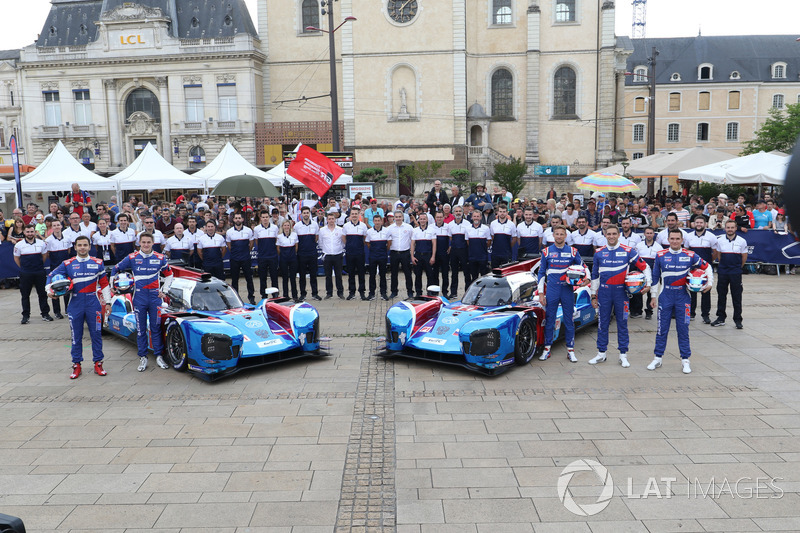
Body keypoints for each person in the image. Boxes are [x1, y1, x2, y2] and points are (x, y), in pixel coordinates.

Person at [648, 228, 714, 374]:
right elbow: (654, 278)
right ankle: (657, 358)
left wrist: (710, 283)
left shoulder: (690, 255)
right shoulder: (660, 255)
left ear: (682, 240)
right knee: (661, 329)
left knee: (683, 330)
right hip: (665, 296)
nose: (675, 241)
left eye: (678, 239)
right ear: (668, 240)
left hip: (683, 297)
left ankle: (685, 360)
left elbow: (707, 266)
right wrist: (653, 296)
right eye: (672, 239)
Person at [47, 235, 112, 378]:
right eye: (79, 245)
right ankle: (76, 365)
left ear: (90, 247)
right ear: (75, 247)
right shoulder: (67, 264)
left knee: (96, 335)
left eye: (85, 245)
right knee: (76, 336)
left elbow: (104, 284)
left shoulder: (98, 263)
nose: (82, 247)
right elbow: (50, 276)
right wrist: (49, 291)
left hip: (93, 303)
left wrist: (108, 302)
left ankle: (98, 363)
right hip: (75, 303)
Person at [589, 224, 651, 369]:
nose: (611, 236)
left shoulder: (628, 251)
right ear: (605, 235)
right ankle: (601, 353)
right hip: (604, 293)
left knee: (622, 324)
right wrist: (593, 295)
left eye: (614, 234)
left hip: (621, 293)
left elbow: (645, 267)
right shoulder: (598, 253)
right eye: (608, 234)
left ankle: (623, 355)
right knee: (602, 323)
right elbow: (594, 276)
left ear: (618, 235)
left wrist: (647, 284)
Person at [112, 233, 174, 371]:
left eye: (148, 242)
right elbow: (115, 269)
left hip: (155, 298)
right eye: (143, 242)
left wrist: (165, 290)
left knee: (156, 328)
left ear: (153, 243)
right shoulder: (132, 257)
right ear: (139, 243)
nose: (146, 245)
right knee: (140, 329)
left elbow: (170, 275)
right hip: (139, 298)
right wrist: (114, 286)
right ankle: (143, 357)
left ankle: (159, 356)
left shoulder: (160, 258)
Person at [537, 226, 585, 362]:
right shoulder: (546, 252)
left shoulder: (573, 251)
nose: (559, 236)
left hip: (567, 289)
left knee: (569, 320)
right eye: (557, 234)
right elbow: (541, 273)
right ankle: (547, 349)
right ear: (553, 235)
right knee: (550, 319)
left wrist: (584, 280)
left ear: (565, 236)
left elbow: (583, 268)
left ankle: (570, 350)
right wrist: (541, 293)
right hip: (552, 290)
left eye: (561, 234)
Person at [14, 224, 53, 324]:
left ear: (35, 232)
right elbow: (16, 258)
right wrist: (24, 268)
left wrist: (38, 266)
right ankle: (26, 316)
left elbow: (44, 256)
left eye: (31, 231)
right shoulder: (19, 245)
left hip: (39, 272)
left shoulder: (41, 243)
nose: (30, 234)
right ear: (24, 232)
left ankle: (45, 314)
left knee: (42, 294)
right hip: (26, 273)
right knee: (25, 295)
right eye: (28, 232)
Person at [712, 220, 747, 329]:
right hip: (723, 272)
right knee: (721, 295)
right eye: (728, 227)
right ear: (725, 228)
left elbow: (744, 257)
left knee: (737, 296)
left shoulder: (742, 241)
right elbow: (719, 256)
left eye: (732, 227)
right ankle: (721, 318)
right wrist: (724, 267)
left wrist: (737, 268)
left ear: (736, 228)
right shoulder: (720, 241)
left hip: (735, 272)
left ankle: (738, 319)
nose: (730, 229)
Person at [685, 215, 717, 324]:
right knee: (691, 291)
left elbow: (715, 252)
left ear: (705, 224)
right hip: (692, 269)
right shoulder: (688, 236)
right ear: (694, 224)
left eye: (701, 222)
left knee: (706, 291)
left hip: (706, 269)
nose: (699, 224)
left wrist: (707, 264)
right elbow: (686, 251)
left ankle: (705, 315)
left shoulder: (711, 236)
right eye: (697, 222)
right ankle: (691, 313)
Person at [45, 220, 73, 319]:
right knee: (55, 289)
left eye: (58, 225)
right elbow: (47, 254)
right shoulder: (48, 240)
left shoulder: (67, 238)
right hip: (54, 267)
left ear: (61, 226)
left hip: (66, 267)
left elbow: (69, 251)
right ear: (52, 227)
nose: (56, 227)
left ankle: (67, 309)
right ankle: (57, 311)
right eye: (54, 225)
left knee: (67, 288)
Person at [226, 212, 256, 304]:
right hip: (234, 259)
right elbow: (229, 246)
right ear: (233, 220)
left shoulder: (248, 230)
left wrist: (245, 253)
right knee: (234, 280)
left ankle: (251, 297)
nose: (238, 220)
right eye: (236, 218)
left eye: (239, 218)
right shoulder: (229, 232)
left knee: (249, 279)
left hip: (246, 258)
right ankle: (236, 299)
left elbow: (251, 244)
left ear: (242, 219)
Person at [634, 227, 662, 320]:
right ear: (644, 234)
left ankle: (649, 311)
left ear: (654, 234)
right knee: (638, 291)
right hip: (640, 271)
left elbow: (660, 262)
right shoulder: (639, 245)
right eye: (647, 233)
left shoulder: (658, 247)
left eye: (651, 233)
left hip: (653, 272)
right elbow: (635, 259)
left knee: (651, 292)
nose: (649, 235)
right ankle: (637, 311)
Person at [295, 206, 322, 301]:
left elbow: (316, 238)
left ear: (310, 213)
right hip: (301, 254)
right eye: (304, 213)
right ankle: (303, 294)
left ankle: (315, 293)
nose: (306, 214)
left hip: (312, 253)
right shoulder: (297, 226)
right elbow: (296, 240)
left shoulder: (315, 225)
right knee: (302, 275)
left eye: (307, 212)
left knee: (313, 275)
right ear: (301, 214)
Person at [387, 208, 414, 299]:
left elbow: (412, 240)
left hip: (405, 253)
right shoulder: (390, 228)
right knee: (394, 273)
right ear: (394, 218)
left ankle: (410, 292)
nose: (398, 218)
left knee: (408, 273)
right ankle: (394, 292)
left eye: (400, 217)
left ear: (403, 217)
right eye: (396, 217)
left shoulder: (408, 227)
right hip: (394, 253)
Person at [342, 206, 368, 300]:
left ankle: (362, 292)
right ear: (350, 215)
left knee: (361, 273)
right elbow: (344, 238)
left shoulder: (363, 226)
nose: (354, 215)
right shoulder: (346, 226)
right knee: (351, 274)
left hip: (360, 253)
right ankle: (351, 292)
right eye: (352, 214)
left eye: (355, 214)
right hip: (350, 253)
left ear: (358, 215)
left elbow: (365, 239)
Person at [319, 211, 345, 299]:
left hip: (338, 255)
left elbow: (342, 242)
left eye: (332, 219)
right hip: (327, 255)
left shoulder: (340, 230)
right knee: (328, 275)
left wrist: (339, 249)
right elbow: (320, 243)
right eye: (329, 219)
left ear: (335, 220)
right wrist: (325, 250)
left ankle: (340, 293)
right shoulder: (322, 230)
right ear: (327, 220)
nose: (331, 220)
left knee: (339, 275)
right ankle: (329, 293)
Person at [254, 210, 280, 297]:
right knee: (263, 277)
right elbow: (257, 242)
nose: (265, 219)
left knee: (274, 277)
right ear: (260, 218)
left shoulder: (274, 228)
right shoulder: (257, 229)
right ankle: (264, 295)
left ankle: (275, 294)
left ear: (269, 218)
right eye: (263, 217)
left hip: (273, 256)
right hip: (262, 256)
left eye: (266, 217)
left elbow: (276, 241)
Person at [447, 205, 470, 298]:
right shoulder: (450, 225)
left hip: (464, 250)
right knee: (454, 273)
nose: (458, 213)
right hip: (454, 251)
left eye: (460, 211)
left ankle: (467, 293)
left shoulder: (467, 224)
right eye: (456, 211)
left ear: (462, 212)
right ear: (453, 213)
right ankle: (453, 293)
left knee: (467, 273)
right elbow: (450, 237)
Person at [366, 214, 391, 301]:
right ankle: (371, 293)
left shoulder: (386, 231)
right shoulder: (369, 231)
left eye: (378, 220)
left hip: (382, 256)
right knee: (372, 275)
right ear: (373, 222)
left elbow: (389, 243)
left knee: (383, 275)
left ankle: (383, 293)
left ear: (381, 221)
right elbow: (368, 243)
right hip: (373, 256)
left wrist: (384, 251)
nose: (377, 222)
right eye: (375, 221)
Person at [410, 212, 436, 297]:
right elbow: (413, 244)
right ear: (418, 220)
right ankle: (418, 293)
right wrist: (412, 256)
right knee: (418, 275)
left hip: (428, 255)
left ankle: (430, 293)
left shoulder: (431, 230)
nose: (422, 220)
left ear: (427, 219)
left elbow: (434, 244)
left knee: (430, 275)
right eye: (421, 219)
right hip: (418, 255)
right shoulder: (415, 230)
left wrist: (433, 257)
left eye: (424, 219)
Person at [465, 209, 492, 283]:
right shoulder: (468, 228)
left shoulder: (485, 228)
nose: (476, 218)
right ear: (472, 217)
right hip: (472, 257)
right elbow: (467, 241)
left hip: (483, 257)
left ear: (480, 217)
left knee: (484, 276)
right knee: (474, 277)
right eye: (474, 216)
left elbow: (489, 241)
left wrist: (482, 248)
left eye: (477, 216)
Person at [276, 220, 299, 301]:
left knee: (293, 277)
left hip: (292, 258)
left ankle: (295, 295)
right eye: (285, 225)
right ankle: (285, 295)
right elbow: (278, 249)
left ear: (290, 226)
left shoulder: (294, 235)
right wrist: (283, 255)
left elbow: (296, 246)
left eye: (288, 225)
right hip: (283, 259)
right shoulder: (279, 236)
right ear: (282, 226)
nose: (286, 227)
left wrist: (292, 254)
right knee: (285, 278)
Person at [431, 211, 450, 294]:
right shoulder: (431, 227)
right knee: (435, 274)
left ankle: (445, 292)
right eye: (437, 217)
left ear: (443, 217)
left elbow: (451, 238)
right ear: (435, 218)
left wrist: (450, 247)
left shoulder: (447, 227)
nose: (439, 219)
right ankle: (435, 292)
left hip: (445, 254)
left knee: (445, 274)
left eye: (440, 217)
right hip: (435, 254)